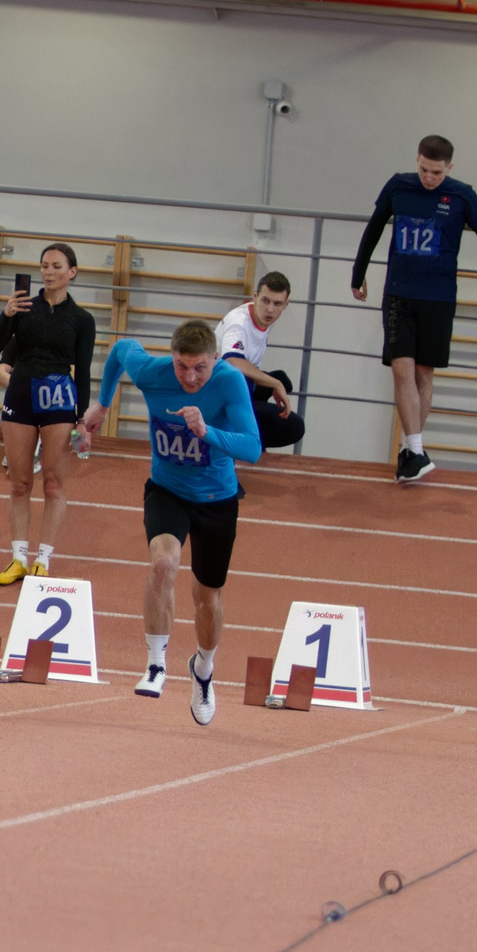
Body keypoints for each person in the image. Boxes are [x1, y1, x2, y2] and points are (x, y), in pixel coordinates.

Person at [80, 321, 262, 727]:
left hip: (217, 499)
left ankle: (203, 669)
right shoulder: (152, 373)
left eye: (199, 367)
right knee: (164, 563)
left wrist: (206, 430)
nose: (190, 376)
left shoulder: (229, 382)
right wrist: (103, 404)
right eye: (182, 366)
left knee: (207, 597)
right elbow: (121, 348)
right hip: (167, 489)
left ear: (215, 359)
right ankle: (156, 663)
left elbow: (253, 448)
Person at [352, 134, 477, 484]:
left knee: (423, 373)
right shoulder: (399, 186)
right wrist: (358, 274)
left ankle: (410, 449)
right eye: (423, 169)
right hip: (399, 293)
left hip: (438, 296)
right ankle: (417, 451)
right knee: (401, 368)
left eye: (436, 172)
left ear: (449, 168)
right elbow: (373, 229)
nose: (428, 178)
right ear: (416, 160)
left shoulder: (463, 194)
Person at [0, 242, 94, 585]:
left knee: (53, 483)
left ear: (72, 272)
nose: (48, 272)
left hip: (59, 400)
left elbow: (85, 370)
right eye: (44, 265)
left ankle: (43, 559)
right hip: (21, 395)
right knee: (19, 483)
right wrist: (7, 314)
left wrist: (81, 419)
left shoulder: (82, 320)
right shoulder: (24, 310)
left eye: (57, 266)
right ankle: (18, 558)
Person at [217, 272, 306, 452]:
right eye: (265, 301)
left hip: (238, 383)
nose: (270, 309)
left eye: (277, 304)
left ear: (286, 304)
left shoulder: (262, 320)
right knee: (294, 426)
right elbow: (233, 361)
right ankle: (244, 440)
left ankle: (248, 431)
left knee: (281, 379)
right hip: (219, 393)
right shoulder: (239, 323)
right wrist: (275, 384)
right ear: (255, 296)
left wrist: (276, 382)